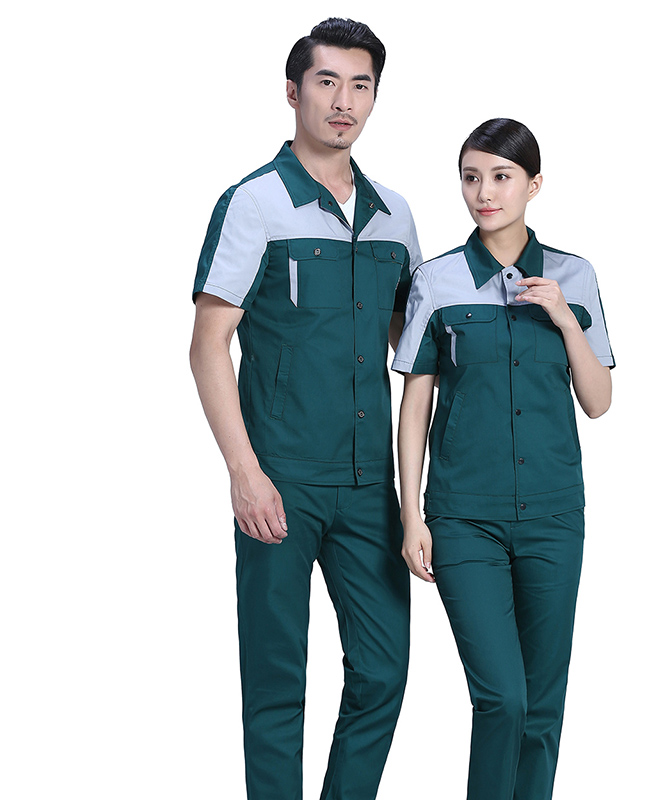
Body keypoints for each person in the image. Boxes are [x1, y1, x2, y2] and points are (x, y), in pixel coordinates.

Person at [189, 18, 422, 800]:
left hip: (368, 486)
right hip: (280, 477)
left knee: (384, 670)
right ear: (293, 93)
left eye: (360, 85)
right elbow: (207, 345)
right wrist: (244, 471)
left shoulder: (395, 216)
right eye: (327, 82)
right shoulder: (253, 203)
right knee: (276, 681)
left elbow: (413, 348)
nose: (343, 101)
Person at [393, 118, 614, 800]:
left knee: (542, 708)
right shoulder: (437, 281)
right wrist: (411, 516)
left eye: (501, 176)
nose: (483, 193)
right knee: (502, 698)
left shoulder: (574, 276)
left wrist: (565, 319)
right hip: (464, 520)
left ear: (533, 184)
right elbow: (415, 404)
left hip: (554, 517)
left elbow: (599, 401)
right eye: (471, 177)